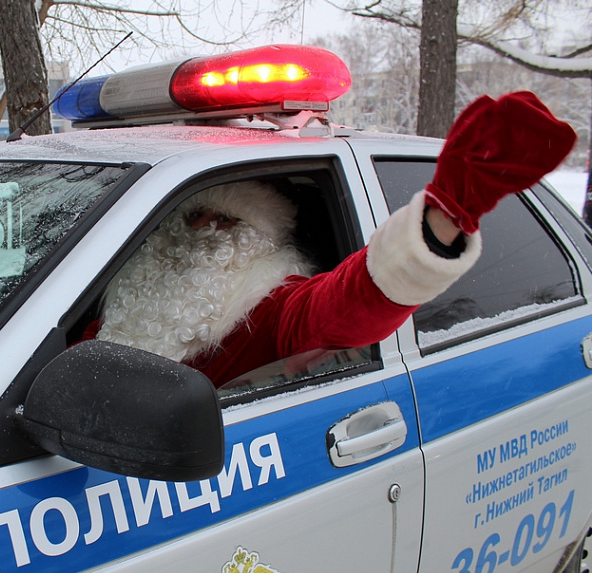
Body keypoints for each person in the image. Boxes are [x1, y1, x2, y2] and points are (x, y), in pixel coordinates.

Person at [84, 92, 577, 388]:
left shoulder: (270, 310)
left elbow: (352, 302)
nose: (205, 229)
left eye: (227, 221)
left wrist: (445, 214)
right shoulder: (114, 290)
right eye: (194, 215)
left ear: (258, 238)